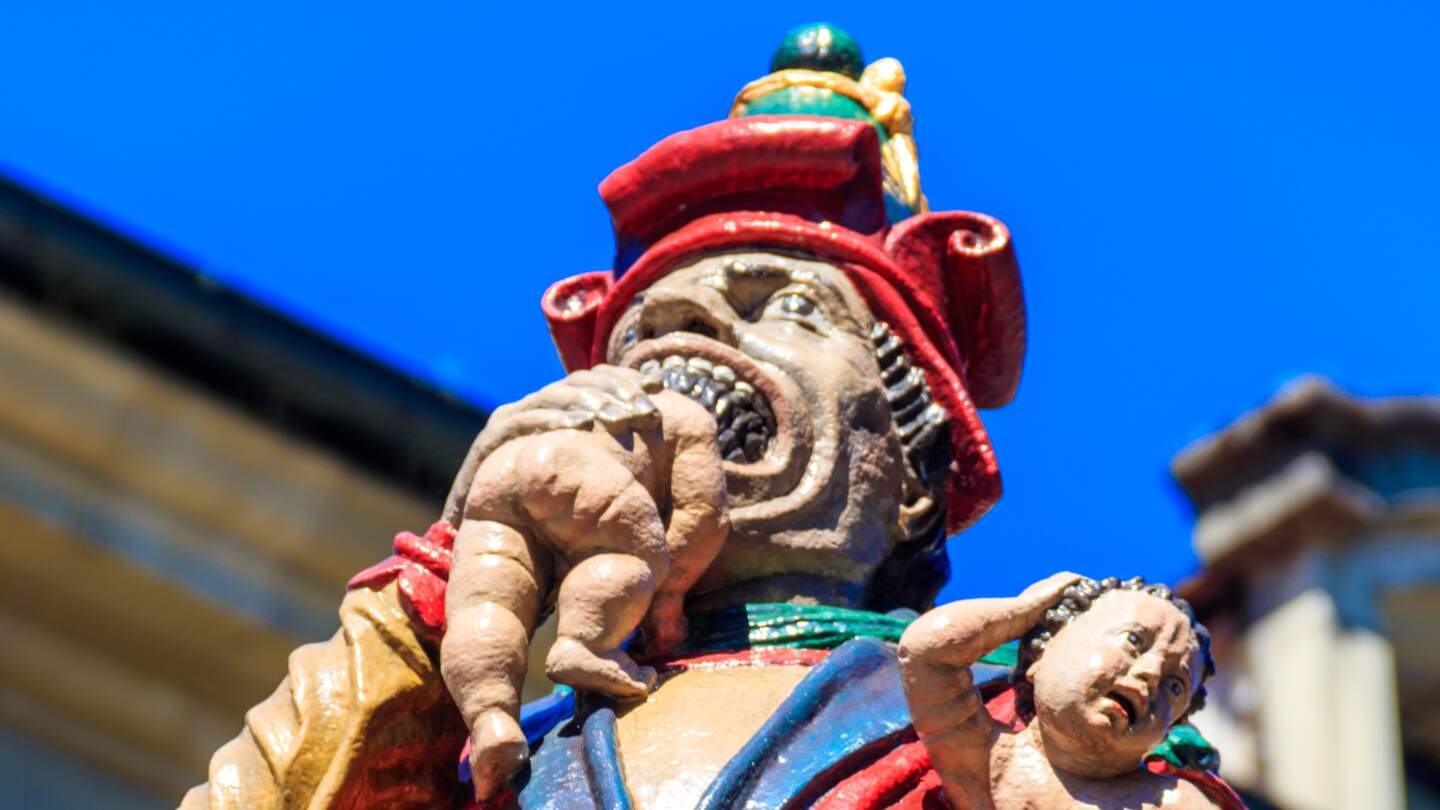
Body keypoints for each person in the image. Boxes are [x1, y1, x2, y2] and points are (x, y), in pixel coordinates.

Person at [178, 25, 1235, 810]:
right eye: (646, 330)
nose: (681, 331)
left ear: (912, 464)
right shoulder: (500, 761)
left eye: (783, 305)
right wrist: (452, 574)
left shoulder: (1024, 728)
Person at [898, 574, 1229, 810]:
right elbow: (926, 654)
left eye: (1175, 686)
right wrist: (1023, 611)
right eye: (1132, 641)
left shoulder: (1168, 801)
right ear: (1041, 652)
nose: (1151, 673)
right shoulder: (989, 759)